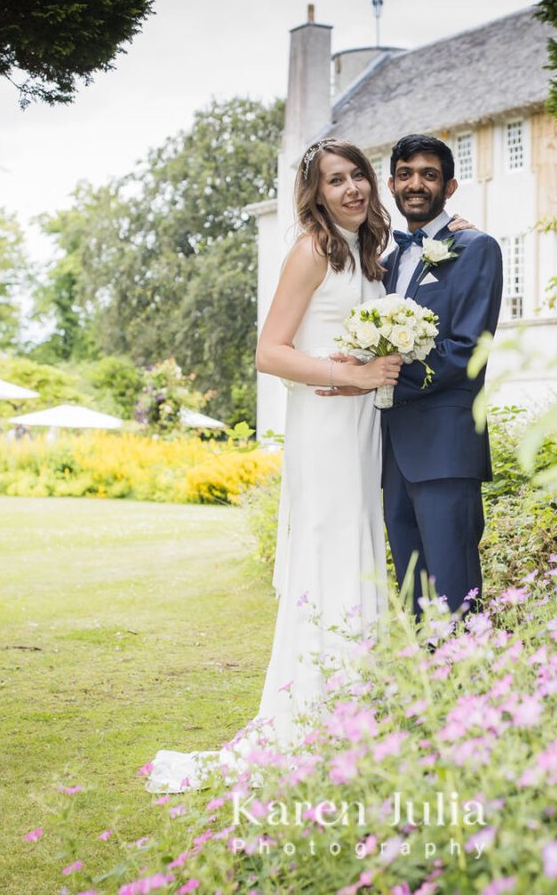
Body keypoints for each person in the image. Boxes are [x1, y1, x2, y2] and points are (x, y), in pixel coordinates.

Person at [144, 138, 406, 794]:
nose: (351, 188)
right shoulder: (313, 249)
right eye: (335, 180)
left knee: (360, 554)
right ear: (315, 193)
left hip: (364, 426)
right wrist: (352, 374)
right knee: (331, 554)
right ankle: (315, 717)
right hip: (326, 428)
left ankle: (355, 715)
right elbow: (269, 351)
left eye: (357, 176)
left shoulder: (373, 255)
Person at [378, 134, 502, 618]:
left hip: (447, 451)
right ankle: (425, 692)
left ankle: (470, 691)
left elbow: (469, 351)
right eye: (406, 174)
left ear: (449, 186)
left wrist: (382, 378)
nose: (416, 184)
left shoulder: (476, 248)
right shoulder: (388, 262)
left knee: (455, 595)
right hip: (393, 453)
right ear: (391, 184)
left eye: (429, 175)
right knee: (414, 596)